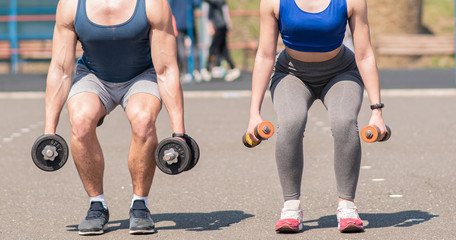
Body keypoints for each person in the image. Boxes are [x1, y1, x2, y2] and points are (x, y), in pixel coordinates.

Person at [245, 0, 388, 233]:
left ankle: (347, 206)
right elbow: (264, 55)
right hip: (291, 73)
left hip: (341, 72)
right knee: (291, 121)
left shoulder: (352, 2)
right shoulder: (273, 2)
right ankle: (291, 207)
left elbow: (364, 55)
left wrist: (377, 111)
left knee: (344, 122)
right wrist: (254, 114)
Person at [44, 0, 185, 235]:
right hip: (94, 75)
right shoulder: (70, 5)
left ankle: (140, 204)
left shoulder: (153, 4)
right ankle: (96, 204)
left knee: (143, 121)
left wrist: (179, 133)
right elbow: (60, 68)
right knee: (80, 120)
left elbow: (167, 69)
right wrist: (49, 132)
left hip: (141, 74)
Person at [168, 0, 210, 82]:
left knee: (181, 47)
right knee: (193, 46)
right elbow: (197, 3)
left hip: (179, 22)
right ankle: (195, 70)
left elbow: (169, 6)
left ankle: (186, 71)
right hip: (189, 21)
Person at [204, 0, 240, 82]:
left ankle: (208, 68)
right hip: (220, 27)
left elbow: (224, 13)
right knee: (223, 50)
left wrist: (228, 25)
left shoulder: (218, 2)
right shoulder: (215, 3)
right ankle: (232, 67)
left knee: (213, 49)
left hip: (220, 27)